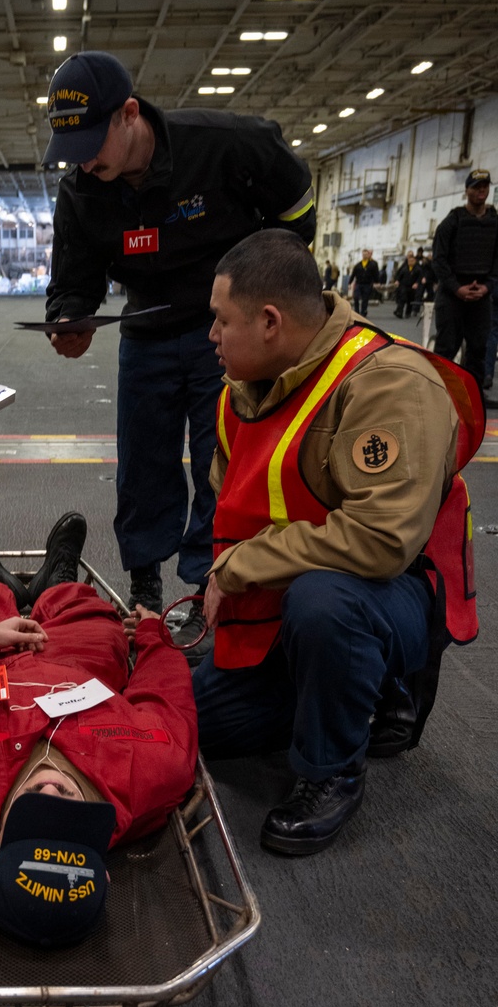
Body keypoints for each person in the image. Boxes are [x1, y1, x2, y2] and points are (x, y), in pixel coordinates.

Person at [140, 229, 480, 857]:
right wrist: (221, 586)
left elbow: (381, 541)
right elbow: (237, 513)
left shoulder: (389, 382)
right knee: (192, 725)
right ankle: (331, 688)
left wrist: (240, 568)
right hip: (283, 595)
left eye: (220, 321)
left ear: (269, 322)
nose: (209, 336)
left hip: (382, 588)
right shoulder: (241, 390)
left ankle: (333, 768)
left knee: (327, 605)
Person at [40, 51, 315, 647]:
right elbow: (73, 278)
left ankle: (204, 587)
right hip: (145, 334)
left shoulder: (224, 145)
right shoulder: (82, 190)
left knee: (223, 465)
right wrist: (68, 317)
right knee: (142, 466)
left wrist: (276, 281)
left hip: (228, 333)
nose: (85, 161)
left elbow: (296, 204)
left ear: (130, 115)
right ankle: (145, 585)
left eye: (93, 142)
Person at [0, 517, 197, 942]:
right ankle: (60, 577)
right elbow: (166, 694)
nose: (52, 794)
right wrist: (150, 635)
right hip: (81, 664)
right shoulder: (155, 775)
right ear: (103, 873)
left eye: (34, 818)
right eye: (68, 822)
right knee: (88, 613)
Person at [432, 169, 498, 392]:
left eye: (485, 186)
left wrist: (487, 286)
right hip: (452, 295)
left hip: (481, 296)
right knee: (447, 348)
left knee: (478, 349)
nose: (482, 191)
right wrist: (457, 288)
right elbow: (439, 260)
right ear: (467, 190)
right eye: (477, 187)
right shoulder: (452, 222)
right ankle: (440, 395)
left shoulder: (494, 222)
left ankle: (473, 398)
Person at [348, 248, 379, 316]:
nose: (364, 256)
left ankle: (363, 312)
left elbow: (376, 274)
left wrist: (377, 282)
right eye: (363, 254)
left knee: (365, 299)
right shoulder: (358, 265)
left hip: (367, 284)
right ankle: (356, 311)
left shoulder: (372, 265)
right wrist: (349, 283)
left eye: (366, 254)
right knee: (356, 297)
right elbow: (353, 274)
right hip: (359, 284)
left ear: (368, 255)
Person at [393, 251, 423, 318]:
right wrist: (397, 281)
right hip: (404, 285)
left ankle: (408, 312)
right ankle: (399, 312)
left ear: (415, 261)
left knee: (410, 299)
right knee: (402, 298)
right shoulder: (404, 268)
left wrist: (417, 283)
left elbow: (420, 277)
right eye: (409, 261)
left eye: (412, 261)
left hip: (412, 287)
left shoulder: (418, 269)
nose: (410, 262)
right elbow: (399, 275)